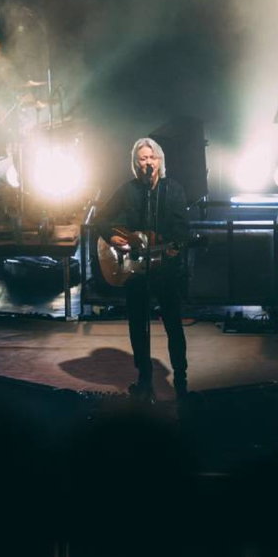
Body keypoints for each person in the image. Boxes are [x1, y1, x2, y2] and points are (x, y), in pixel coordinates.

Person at [96, 137, 190, 402]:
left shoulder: (174, 190)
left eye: (152, 157)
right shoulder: (128, 190)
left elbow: (182, 230)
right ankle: (144, 378)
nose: (148, 162)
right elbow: (101, 219)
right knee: (138, 324)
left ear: (160, 161)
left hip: (166, 268)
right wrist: (112, 237)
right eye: (143, 158)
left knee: (173, 323)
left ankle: (180, 378)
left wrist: (174, 245)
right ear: (136, 163)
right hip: (135, 268)